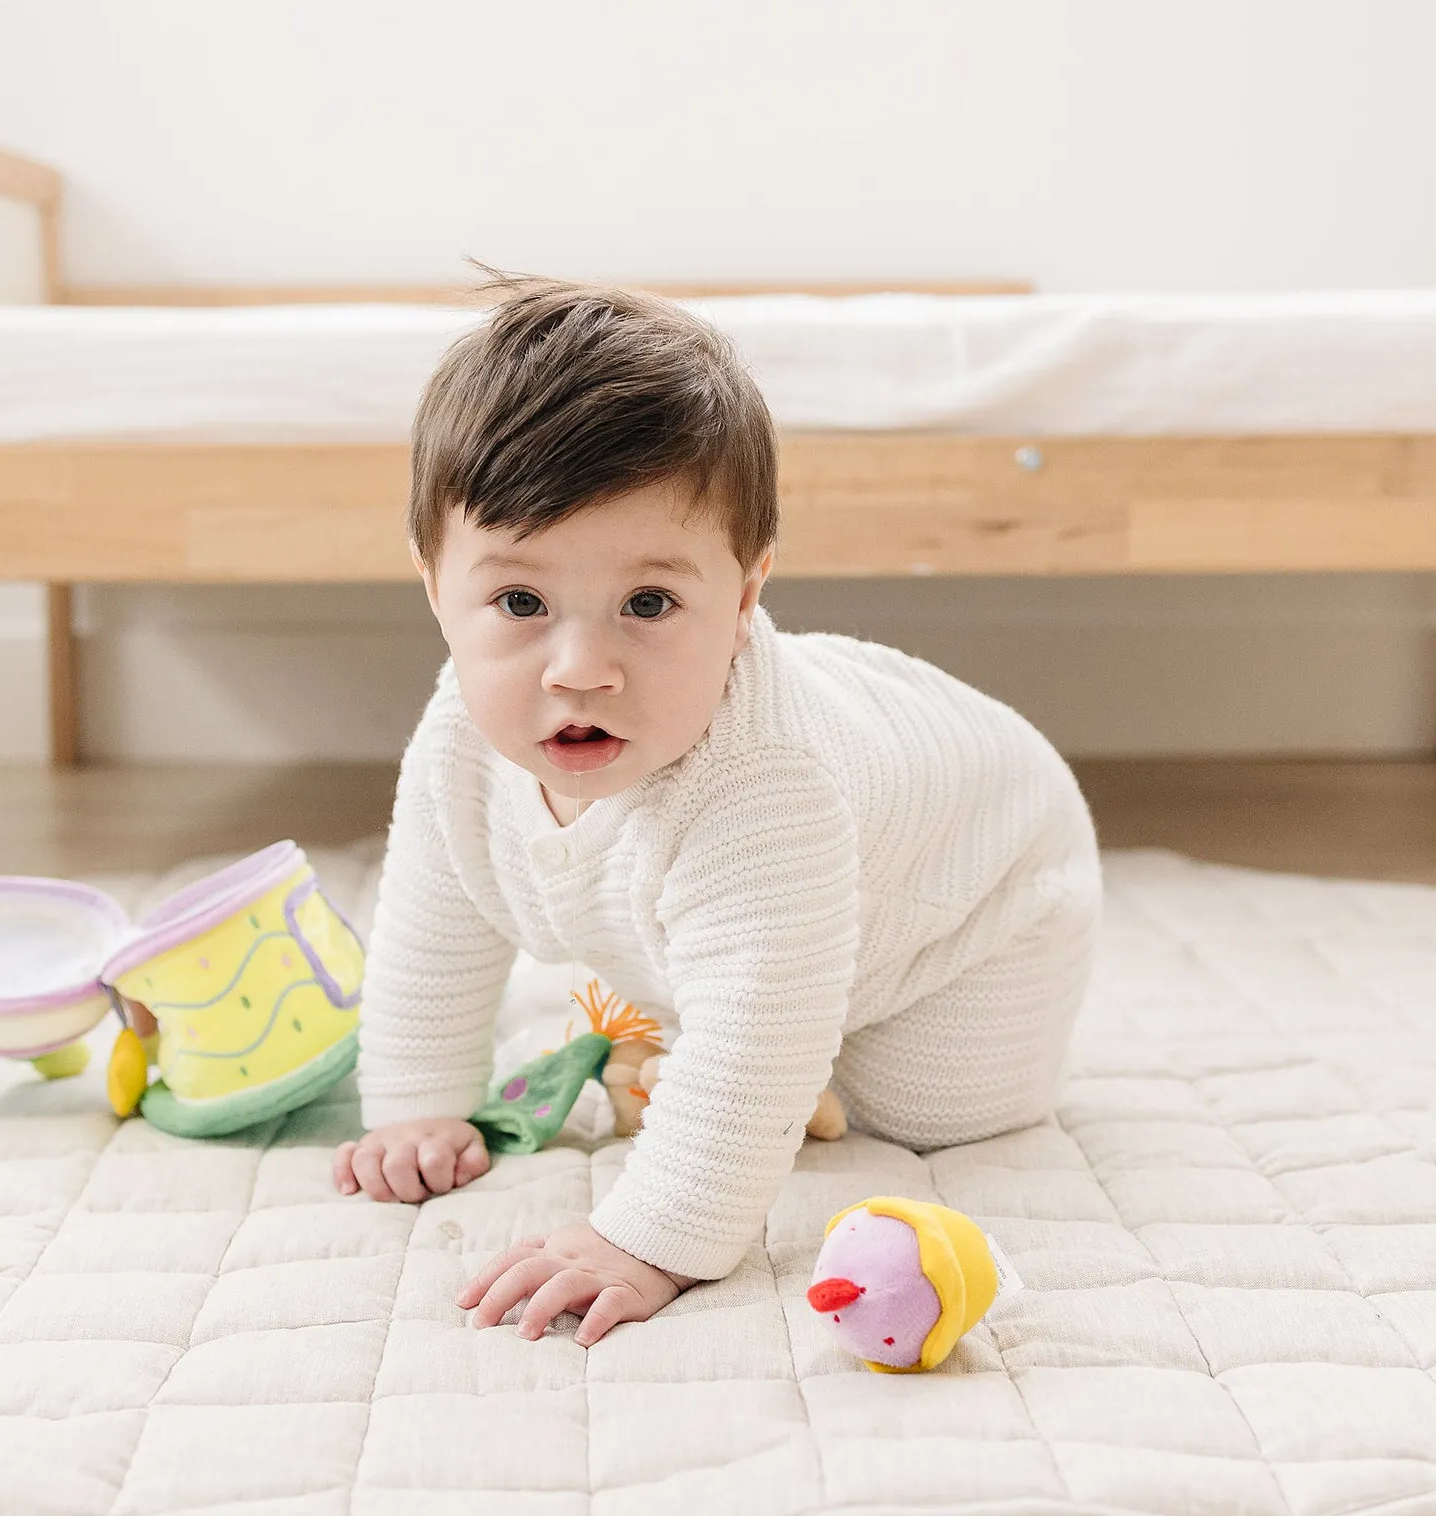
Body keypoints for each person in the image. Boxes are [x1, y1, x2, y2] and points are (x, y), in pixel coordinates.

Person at [332, 275, 1101, 1347]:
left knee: (930, 1110)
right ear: (433, 585)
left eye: (649, 605)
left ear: (743, 596)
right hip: (815, 889)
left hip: (987, 892)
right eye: (519, 602)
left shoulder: (764, 783)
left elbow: (753, 1040)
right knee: (737, 979)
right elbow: (436, 914)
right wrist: (417, 1098)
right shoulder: (461, 735)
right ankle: (782, 990)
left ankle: (829, 1018)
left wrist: (652, 1235)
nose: (581, 668)